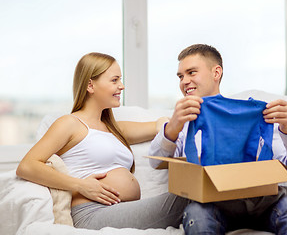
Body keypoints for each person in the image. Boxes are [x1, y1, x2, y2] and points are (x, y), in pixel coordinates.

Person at [149, 44, 287, 235]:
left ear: (216, 72)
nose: (184, 81)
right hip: (212, 204)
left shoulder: (256, 114)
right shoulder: (182, 122)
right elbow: (156, 163)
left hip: (266, 202)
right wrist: (172, 127)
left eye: (191, 72)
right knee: (196, 213)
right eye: (180, 76)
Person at [16, 52, 190, 230]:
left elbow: (160, 126)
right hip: (92, 213)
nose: (121, 86)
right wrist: (80, 185)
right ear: (90, 85)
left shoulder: (114, 129)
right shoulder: (69, 124)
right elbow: (27, 166)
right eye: (114, 80)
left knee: (198, 200)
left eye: (120, 80)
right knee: (191, 193)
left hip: (121, 209)